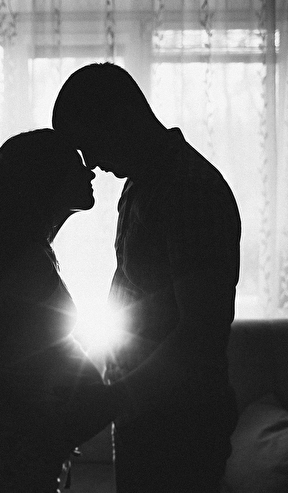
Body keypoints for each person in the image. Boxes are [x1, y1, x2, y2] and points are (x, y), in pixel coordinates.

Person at [52, 62, 241, 492]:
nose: (91, 163)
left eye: (88, 144)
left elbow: (199, 335)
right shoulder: (141, 183)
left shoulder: (191, 190)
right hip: (144, 414)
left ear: (119, 119)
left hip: (182, 426)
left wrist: (111, 400)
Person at [0, 129, 118, 493]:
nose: (90, 171)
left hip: (13, 447)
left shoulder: (33, 255)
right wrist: (38, 427)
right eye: (75, 165)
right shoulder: (30, 265)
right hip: (10, 452)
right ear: (45, 179)